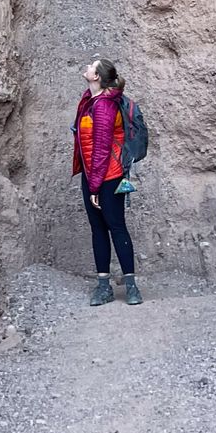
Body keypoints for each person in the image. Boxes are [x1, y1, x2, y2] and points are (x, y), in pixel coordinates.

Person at [72, 57, 142, 305]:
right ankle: (104, 286)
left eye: (92, 65)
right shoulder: (89, 100)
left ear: (97, 76)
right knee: (98, 228)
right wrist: (90, 181)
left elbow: (101, 149)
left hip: (108, 176)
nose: (87, 66)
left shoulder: (103, 106)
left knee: (116, 226)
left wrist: (95, 187)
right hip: (93, 174)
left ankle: (131, 288)